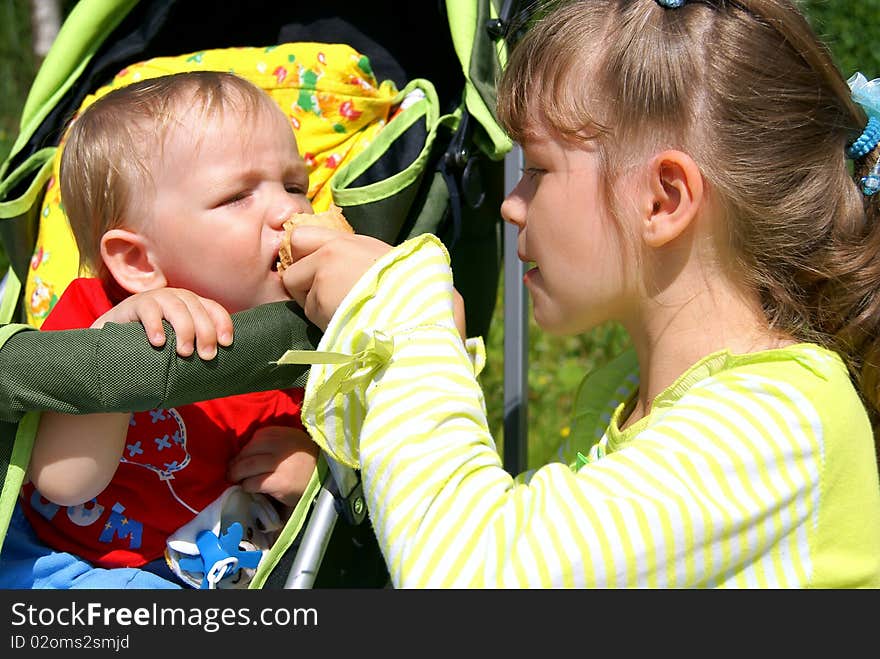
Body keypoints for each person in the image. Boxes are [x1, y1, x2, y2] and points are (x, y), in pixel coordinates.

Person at [277, 0, 880, 587]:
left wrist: (406, 324)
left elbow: (471, 577)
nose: (512, 204)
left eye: (537, 169)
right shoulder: (626, 394)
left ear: (662, 200)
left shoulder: (778, 420)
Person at [3, 71, 320, 588]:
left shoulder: (312, 337)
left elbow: (366, 450)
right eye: (237, 196)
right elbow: (64, 481)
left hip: (184, 572)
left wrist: (311, 468)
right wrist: (116, 352)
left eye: (294, 185)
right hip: (41, 553)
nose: (291, 210)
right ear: (137, 261)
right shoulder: (92, 312)